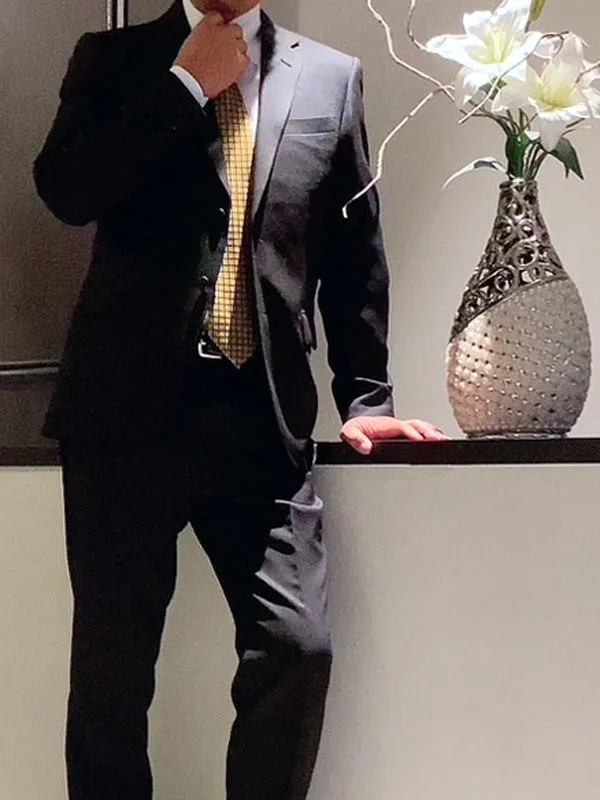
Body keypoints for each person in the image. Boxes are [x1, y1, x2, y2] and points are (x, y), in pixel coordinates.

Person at [33, 0, 446, 797]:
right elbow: (67, 189)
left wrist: (366, 400)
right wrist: (185, 84)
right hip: (123, 418)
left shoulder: (332, 78)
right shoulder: (114, 59)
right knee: (112, 676)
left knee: (299, 650)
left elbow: (354, 252)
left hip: (262, 422)